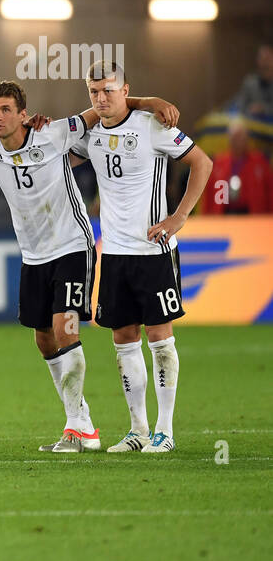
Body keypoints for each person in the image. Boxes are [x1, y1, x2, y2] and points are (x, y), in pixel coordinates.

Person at [0, 81, 178, 452]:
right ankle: (80, 418)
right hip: (33, 254)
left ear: (23, 114)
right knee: (43, 338)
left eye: (5, 110)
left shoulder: (53, 132)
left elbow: (105, 107)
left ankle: (79, 431)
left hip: (72, 245)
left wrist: (149, 99)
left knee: (64, 328)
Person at [69, 62, 214, 454]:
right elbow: (62, 144)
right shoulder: (91, 134)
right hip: (114, 253)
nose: (101, 98)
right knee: (123, 339)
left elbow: (203, 162)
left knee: (160, 338)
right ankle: (137, 430)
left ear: (125, 89)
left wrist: (179, 217)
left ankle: (164, 432)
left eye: (109, 91)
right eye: (94, 92)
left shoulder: (153, 125)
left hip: (153, 251)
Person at [201, 120, 273, 215]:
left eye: (240, 137)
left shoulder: (260, 162)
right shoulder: (219, 163)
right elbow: (209, 195)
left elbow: (270, 192)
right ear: (229, 139)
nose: (237, 141)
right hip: (224, 214)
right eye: (234, 138)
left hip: (253, 214)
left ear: (247, 139)